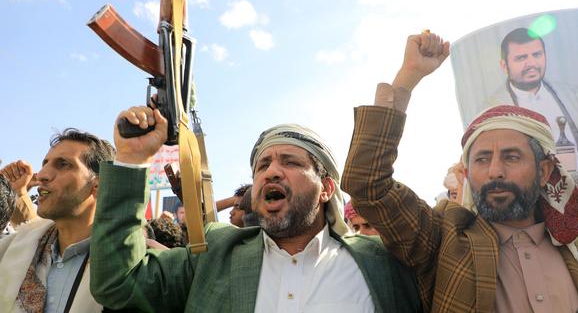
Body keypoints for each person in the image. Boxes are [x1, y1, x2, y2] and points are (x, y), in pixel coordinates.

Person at [342, 31, 578, 312]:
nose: (494, 171)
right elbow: (369, 185)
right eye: (482, 159)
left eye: (512, 157)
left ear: (544, 170)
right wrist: (406, 81)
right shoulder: (443, 239)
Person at [90, 109, 421, 312]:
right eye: (263, 164)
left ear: (326, 188)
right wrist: (133, 160)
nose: (271, 171)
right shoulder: (215, 253)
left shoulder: (382, 263)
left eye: (290, 162)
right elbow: (118, 284)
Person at [488, 27, 578, 207]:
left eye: (537, 55)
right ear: (504, 66)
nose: (531, 63)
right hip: (538, 213)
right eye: (521, 58)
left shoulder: (575, 97)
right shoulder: (493, 111)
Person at [0, 128, 115, 312]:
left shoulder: (127, 263)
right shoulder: (12, 250)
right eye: (45, 163)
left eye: (63, 164)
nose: (42, 174)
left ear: (98, 185)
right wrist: (11, 195)